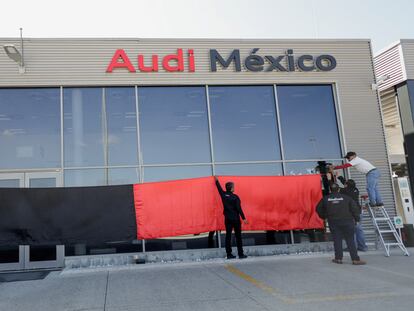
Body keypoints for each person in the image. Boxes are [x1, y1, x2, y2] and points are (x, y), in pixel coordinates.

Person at [316, 183, 366, 265]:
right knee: (350, 240)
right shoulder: (347, 198)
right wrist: (357, 219)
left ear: (330, 190)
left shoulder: (325, 199)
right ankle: (355, 259)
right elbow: (354, 209)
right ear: (339, 189)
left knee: (337, 240)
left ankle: (338, 258)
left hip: (333, 222)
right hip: (347, 221)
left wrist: (324, 216)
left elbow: (318, 209)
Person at [214, 176, 248, 259]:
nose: (234, 188)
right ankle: (241, 254)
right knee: (238, 236)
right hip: (236, 219)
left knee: (228, 236)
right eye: (233, 187)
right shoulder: (235, 197)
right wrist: (243, 218)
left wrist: (216, 181)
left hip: (228, 219)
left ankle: (229, 254)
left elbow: (219, 189)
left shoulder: (223, 195)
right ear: (231, 188)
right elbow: (239, 208)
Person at [341, 179, 368, 251]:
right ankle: (363, 247)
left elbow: (337, 189)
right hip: (358, 212)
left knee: (351, 230)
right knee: (359, 230)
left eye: (345, 184)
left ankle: (352, 247)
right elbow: (347, 184)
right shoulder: (356, 190)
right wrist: (339, 177)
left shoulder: (344, 191)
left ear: (347, 185)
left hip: (351, 213)